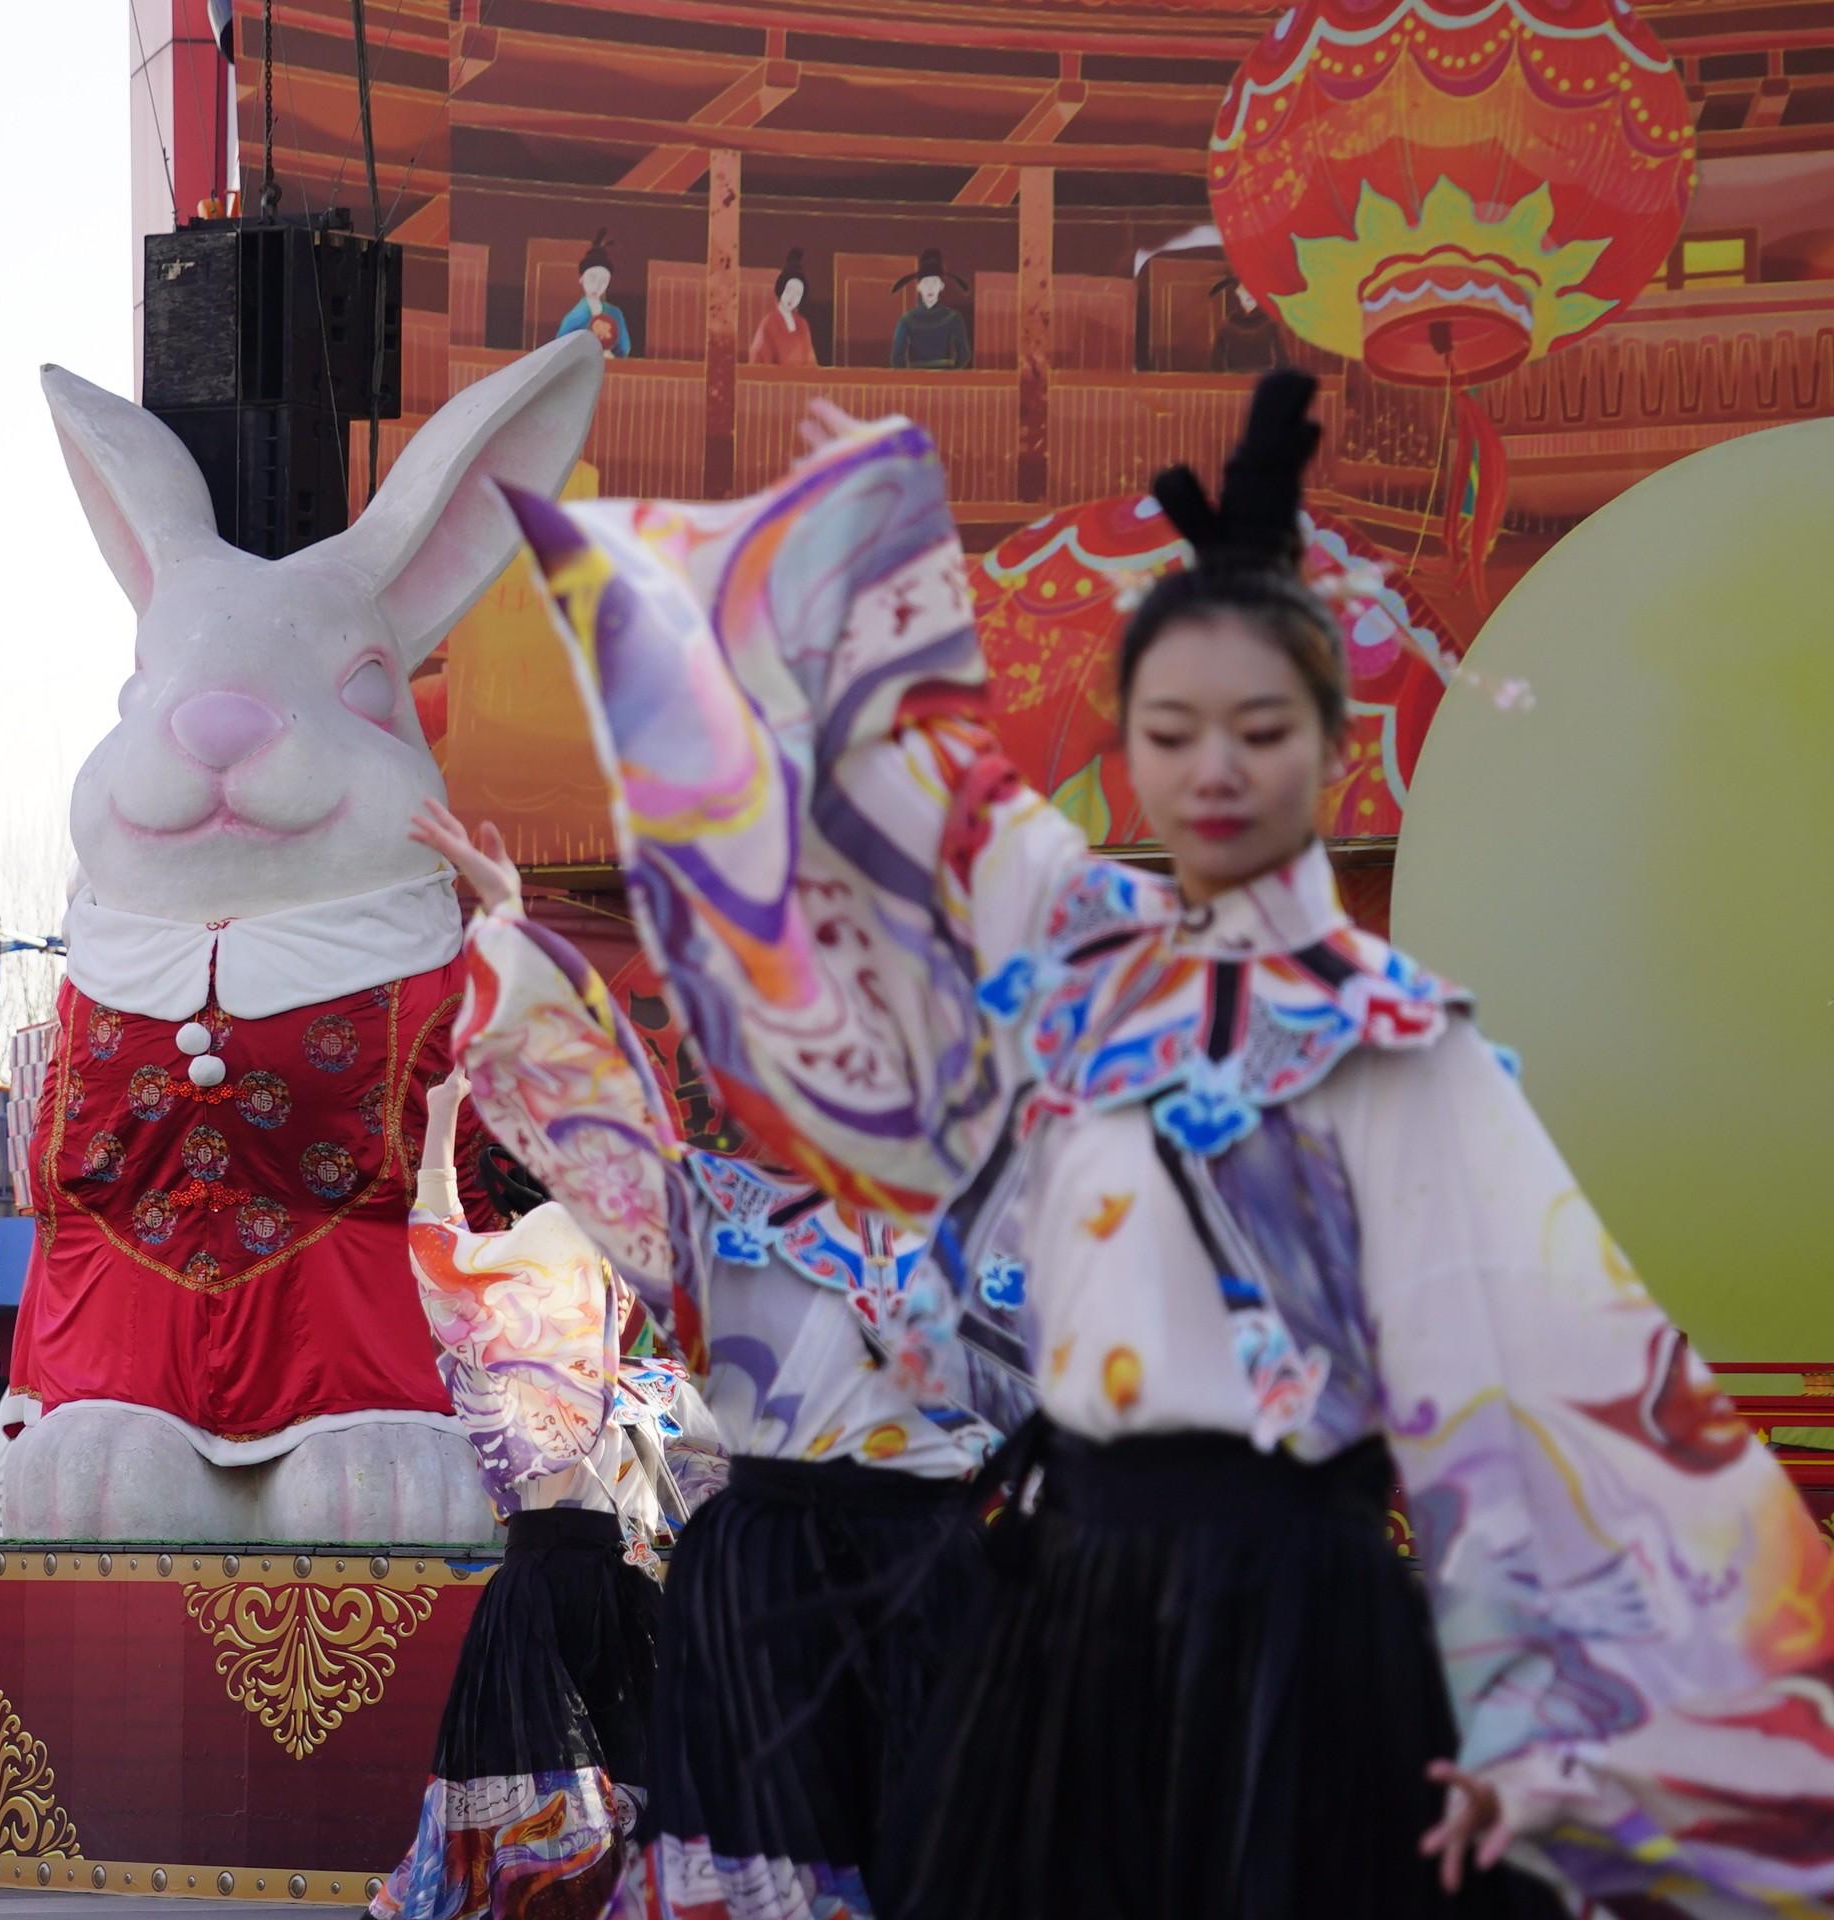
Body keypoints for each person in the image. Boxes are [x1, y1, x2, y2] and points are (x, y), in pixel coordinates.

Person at [499, 373, 1834, 1914]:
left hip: (1308, 1629)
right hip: (1077, 1626)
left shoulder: (1406, 1047)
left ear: (1326, 753)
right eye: (1174, 727)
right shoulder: (1084, 960)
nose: (1213, 768)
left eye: (1258, 727)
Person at [411, 800, 1003, 1920]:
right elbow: (602, 1114)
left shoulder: (978, 1209)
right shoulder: (719, 1216)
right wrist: (507, 930)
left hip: (918, 1571)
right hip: (773, 1582)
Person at [367, 1063, 706, 1920]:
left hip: (578, 1596)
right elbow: (450, 1265)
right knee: (579, 1815)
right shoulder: (607, 1386)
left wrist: (443, 1124)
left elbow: (443, 1259)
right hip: (591, 1597)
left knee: (597, 1809)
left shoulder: (639, 1388)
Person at [887, 250, 972, 370]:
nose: (930, 287)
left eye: (934, 282)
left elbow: (964, 354)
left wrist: (951, 376)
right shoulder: (906, 320)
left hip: (945, 380)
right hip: (916, 379)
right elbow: (897, 358)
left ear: (941, 286)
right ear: (918, 287)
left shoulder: (954, 318)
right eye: (926, 282)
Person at [555, 230, 632, 358]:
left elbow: (624, 348)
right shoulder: (575, 315)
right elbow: (559, 346)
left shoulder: (615, 313)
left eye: (604, 280)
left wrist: (611, 356)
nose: (597, 284)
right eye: (592, 277)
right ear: (581, 279)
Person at [744, 249, 815, 367]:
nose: (792, 297)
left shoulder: (802, 324)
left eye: (797, 294)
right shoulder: (769, 323)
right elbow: (759, 363)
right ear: (782, 290)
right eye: (789, 290)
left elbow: (811, 364)